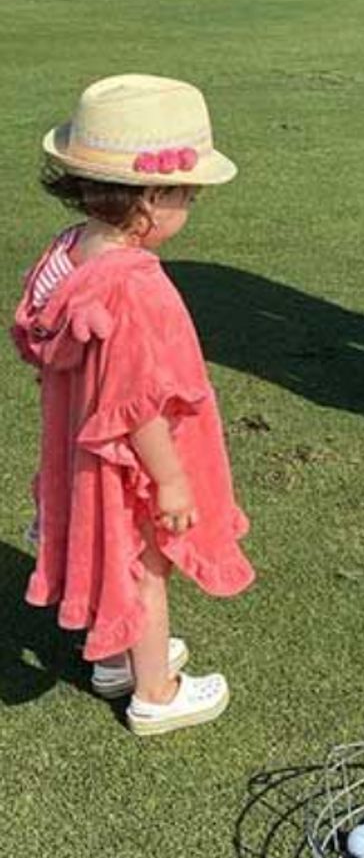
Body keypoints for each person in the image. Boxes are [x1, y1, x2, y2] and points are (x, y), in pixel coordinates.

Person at [12, 75, 254, 736]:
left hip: (77, 449)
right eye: (188, 196)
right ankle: (157, 692)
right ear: (151, 199)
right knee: (144, 563)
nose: (190, 208)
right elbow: (138, 398)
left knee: (113, 553)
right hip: (127, 460)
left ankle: (117, 659)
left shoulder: (69, 252)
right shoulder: (136, 286)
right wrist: (170, 478)